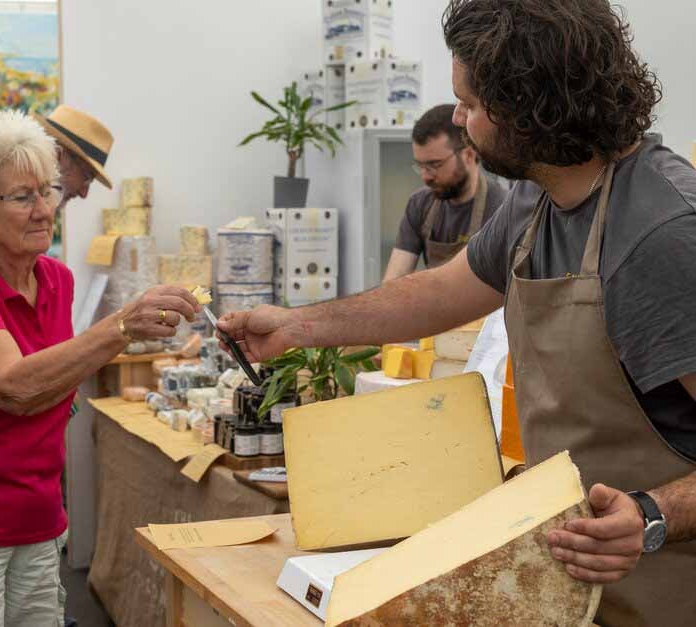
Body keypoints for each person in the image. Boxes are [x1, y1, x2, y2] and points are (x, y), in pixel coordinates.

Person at [218, 1, 696, 625]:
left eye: (469, 104)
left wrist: (655, 515)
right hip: (573, 584)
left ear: (529, 106)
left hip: (664, 588)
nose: (461, 121)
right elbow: (441, 291)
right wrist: (298, 327)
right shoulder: (538, 200)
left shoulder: (658, 236)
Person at [0, 110, 200, 626]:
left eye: (47, 192)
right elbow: (12, 387)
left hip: (35, 523)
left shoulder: (56, 280)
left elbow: (49, 385)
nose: (44, 210)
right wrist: (120, 327)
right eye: (21, 197)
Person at [383, 103, 506, 281]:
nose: (426, 177)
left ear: (469, 156)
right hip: (434, 305)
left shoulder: (501, 208)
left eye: (434, 165)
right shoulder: (420, 204)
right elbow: (394, 281)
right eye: (420, 166)